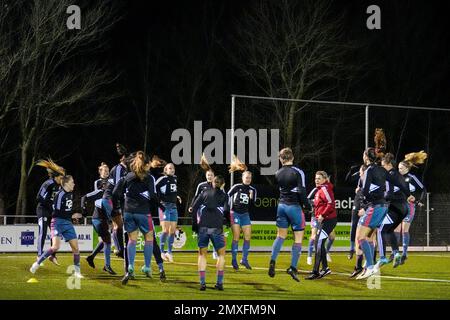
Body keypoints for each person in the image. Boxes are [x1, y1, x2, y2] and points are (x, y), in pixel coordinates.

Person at [113, 151, 157, 285]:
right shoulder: (149, 178)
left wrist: (120, 205)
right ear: (147, 164)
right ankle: (147, 267)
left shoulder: (128, 176)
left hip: (128, 212)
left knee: (132, 239)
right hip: (143, 212)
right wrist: (154, 205)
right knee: (149, 238)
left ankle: (130, 266)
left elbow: (115, 193)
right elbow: (153, 196)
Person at [268, 147, 312, 282]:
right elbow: (302, 192)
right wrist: (308, 206)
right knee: (298, 239)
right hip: (294, 207)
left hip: (281, 206)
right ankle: (292, 268)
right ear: (292, 158)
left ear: (281, 159)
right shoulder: (298, 172)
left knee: (280, 236)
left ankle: (272, 261)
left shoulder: (278, 173)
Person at [30, 175, 84, 279]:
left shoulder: (71, 194)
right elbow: (57, 212)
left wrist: (73, 216)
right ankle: (37, 263)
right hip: (57, 222)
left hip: (68, 223)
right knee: (55, 247)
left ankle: (77, 272)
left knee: (76, 248)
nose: (74, 184)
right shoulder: (60, 195)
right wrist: (73, 215)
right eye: (72, 182)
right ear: (66, 183)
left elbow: (68, 210)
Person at [354, 148, 388, 280]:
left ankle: (370, 266)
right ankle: (370, 264)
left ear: (366, 157)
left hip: (375, 207)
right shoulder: (381, 170)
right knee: (367, 237)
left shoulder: (369, 170)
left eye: (364, 154)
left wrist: (363, 201)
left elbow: (366, 191)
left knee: (361, 238)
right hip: (383, 206)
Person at [191, 175, 230, 291]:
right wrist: (228, 221)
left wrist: (194, 224)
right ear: (222, 184)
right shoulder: (224, 196)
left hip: (203, 227)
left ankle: (202, 283)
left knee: (202, 255)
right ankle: (219, 283)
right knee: (221, 255)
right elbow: (227, 210)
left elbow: (193, 208)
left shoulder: (204, 193)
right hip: (217, 228)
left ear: (212, 183)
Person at [376, 153, 413, 269]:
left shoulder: (389, 176)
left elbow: (389, 194)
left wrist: (379, 197)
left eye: (383, 165)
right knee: (389, 230)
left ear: (388, 165)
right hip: (403, 208)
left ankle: (382, 257)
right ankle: (396, 253)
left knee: (381, 230)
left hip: (396, 207)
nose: (382, 167)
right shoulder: (397, 174)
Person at [82, 162, 116, 274]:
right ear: (100, 172)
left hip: (105, 217)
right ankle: (107, 265)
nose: (106, 172)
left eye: (107, 171)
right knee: (107, 241)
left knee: (105, 240)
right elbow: (98, 197)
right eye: (104, 171)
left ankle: (91, 257)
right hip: (99, 216)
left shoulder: (112, 181)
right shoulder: (98, 183)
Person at [395, 151, 427, 265]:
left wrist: (419, 200)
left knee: (405, 230)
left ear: (407, 168)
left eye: (401, 168)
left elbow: (423, 189)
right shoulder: (396, 177)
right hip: (398, 206)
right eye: (398, 168)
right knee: (396, 230)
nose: (399, 170)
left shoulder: (412, 177)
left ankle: (404, 253)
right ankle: (395, 252)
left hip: (409, 206)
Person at [306, 171, 337, 280]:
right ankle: (325, 268)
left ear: (325, 179)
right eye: (315, 178)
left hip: (328, 220)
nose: (317, 180)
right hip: (323, 220)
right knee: (319, 243)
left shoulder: (325, 189)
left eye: (319, 178)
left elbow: (331, 204)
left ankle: (316, 271)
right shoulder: (320, 189)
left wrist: (323, 215)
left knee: (318, 243)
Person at [227, 156, 257, 270]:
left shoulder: (253, 190)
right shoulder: (237, 187)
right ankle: (234, 260)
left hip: (245, 214)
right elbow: (227, 196)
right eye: (246, 177)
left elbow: (253, 204)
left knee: (248, 237)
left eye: (250, 178)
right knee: (236, 237)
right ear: (243, 178)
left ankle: (244, 259)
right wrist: (228, 210)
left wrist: (250, 197)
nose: (248, 179)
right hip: (235, 213)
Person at [34, 159, 65, 266]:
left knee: (55, 234)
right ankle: (39, 255)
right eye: (61, 176)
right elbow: (39, 197)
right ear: (56, 176)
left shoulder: (60, 186)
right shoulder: (48, 183)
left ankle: (52, 255)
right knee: (42, 232)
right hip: (43, 210)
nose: (63, 178)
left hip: (52, 212)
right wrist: (50, 205)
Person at [189, 154, 218, 259]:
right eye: (208, 175)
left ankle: (215, 251)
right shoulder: (201, 185)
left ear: (214, 176)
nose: (209, 177)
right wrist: (192, 206)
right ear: (206, 176)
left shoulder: (217, 185)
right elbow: (196, 197)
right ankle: (201, 251)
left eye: (211, 175)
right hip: (202, 211)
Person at [102, 143, 128, 259]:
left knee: (118, 226)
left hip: (114, 199)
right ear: (123, 158)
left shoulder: (125, 170)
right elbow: (118, 187)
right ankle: (119, 249)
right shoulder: (118, 168)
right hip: (110, 199)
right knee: (117, 225)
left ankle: (119, 249)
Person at [156, 163, 182, 262]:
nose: (172, 170)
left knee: (172, 230)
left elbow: (173, 190)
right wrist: (159, 201)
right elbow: (154, 189)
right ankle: (162, 252)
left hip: (173, 206)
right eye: (170, 168)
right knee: (165, 230)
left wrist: (177, 196)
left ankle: (169, 252)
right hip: (164, 206)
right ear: (165, 170)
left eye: (173, 168)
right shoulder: (162, 179)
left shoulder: (175, 178)